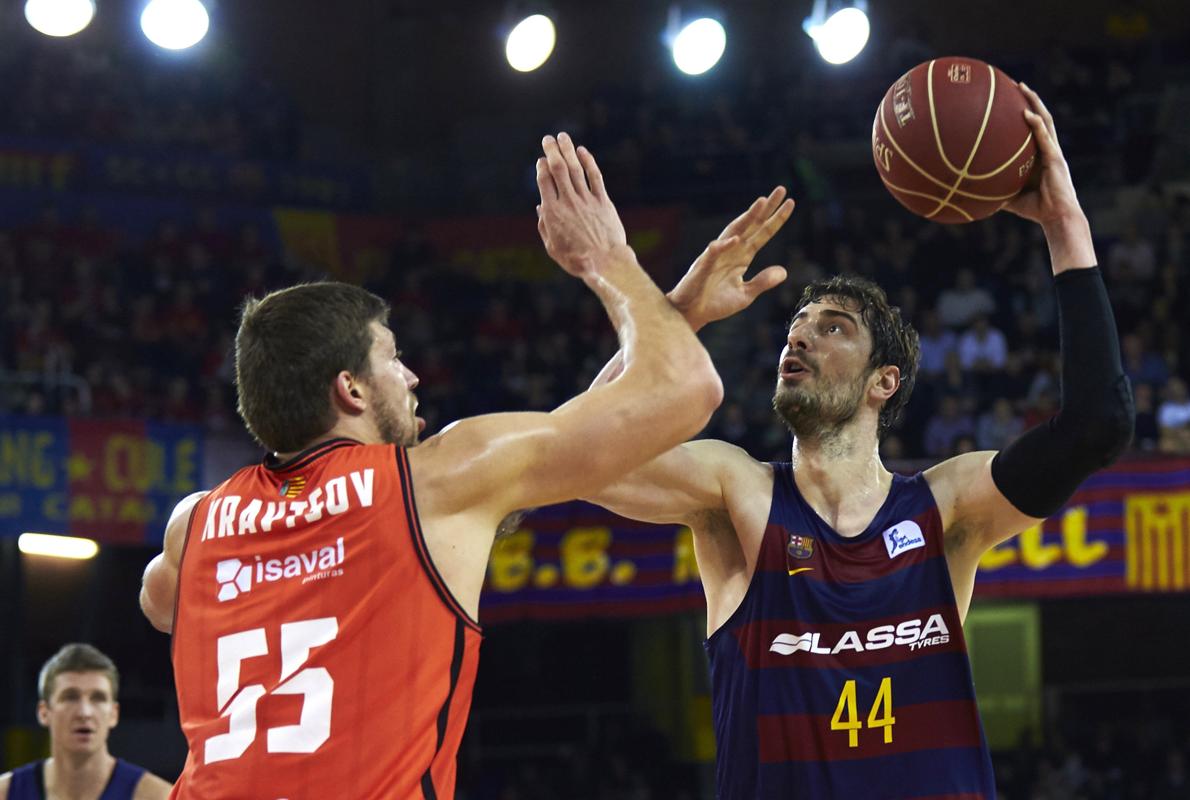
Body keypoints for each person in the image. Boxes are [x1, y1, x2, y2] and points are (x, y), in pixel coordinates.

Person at [579, 88, 1134, 797]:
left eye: (833, 326)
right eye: (795, 328)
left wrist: (1064, 223)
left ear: (883, 381)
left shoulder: (946, 508)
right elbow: (578, 454)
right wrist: (677, 314)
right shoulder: (737, 494)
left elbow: (1099, 424)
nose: (799, 335)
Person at [137, 134, 723, 799]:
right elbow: (685, 390)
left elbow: (160, 609)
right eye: (392, 360)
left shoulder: (196, 524)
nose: (411, 375)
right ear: (351, 389)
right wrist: (608, 260)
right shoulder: (434, 480)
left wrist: (671, 320)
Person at [0, 644, 173, 800]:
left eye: (98, 698)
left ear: (114, 714)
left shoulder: (157, 796)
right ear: (44, 712)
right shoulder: (5, 793)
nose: (84, 712)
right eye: (70, 697)